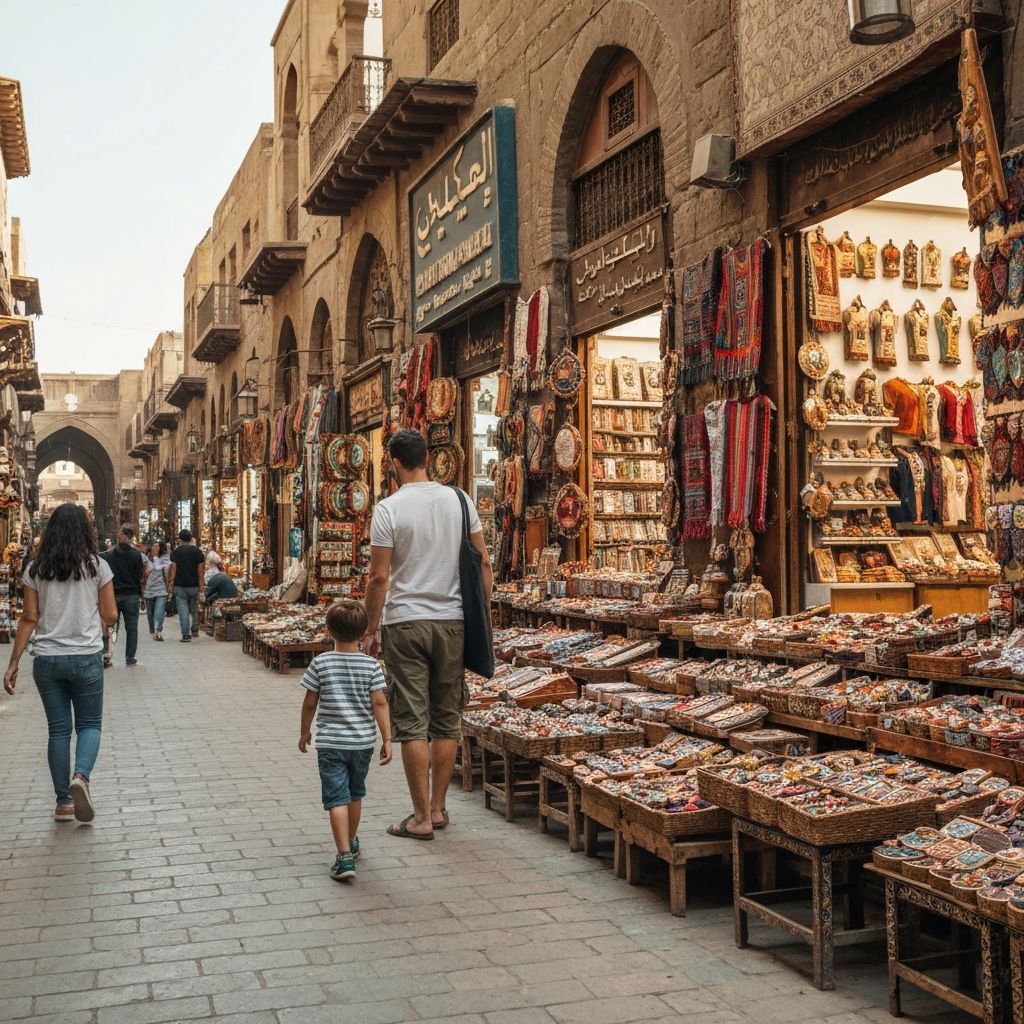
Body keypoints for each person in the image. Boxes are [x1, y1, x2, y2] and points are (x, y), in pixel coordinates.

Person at [363, 429, 492, 841]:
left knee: (411, 721)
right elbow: (483, 563)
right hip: (453, 621)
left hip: (405, 622)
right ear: (427, 458)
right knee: (446, 718)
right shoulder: (460, 499)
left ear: (395, 464)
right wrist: (482, 616)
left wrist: (370, 629)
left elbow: (379, 576)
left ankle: (419, 817)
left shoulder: (388, 509)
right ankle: (437, 809)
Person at [3, 503, 118, 822]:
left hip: (48, 660)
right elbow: (109, 615)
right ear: (86, 531)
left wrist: (13, 663)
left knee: (58, 731)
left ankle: (63, 803)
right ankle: (80, 777)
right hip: (86, 657)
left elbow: (28, 618)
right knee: (90, 724)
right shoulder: (98, 567)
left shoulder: (35, 570)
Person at [299, 600, 392, 881]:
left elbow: (309, 702)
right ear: (365, 632)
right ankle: (351, 841)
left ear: (328, 630)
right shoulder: (371, 666)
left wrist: (304, 732)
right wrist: (387, 738)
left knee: (335, 797)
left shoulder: (320, 663)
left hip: (331, 743)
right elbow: (380, 704)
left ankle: (343, 858)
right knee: (355, 792)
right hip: (362, 742)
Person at [101, 524, 145, 667]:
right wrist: (141, 595)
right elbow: (139, 576)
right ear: (131, 537)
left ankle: (107, 655)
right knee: (132, 628)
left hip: (113, 595)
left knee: (111, 627)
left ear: (123, 535)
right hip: (132, 595)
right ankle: (130, 658)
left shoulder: (109, 555)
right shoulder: (136, 555)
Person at [167, 530, 204, 643]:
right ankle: (195, 629)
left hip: (180, 586)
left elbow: (173, 570)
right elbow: (200, 570)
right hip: (194, 585)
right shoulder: (198, 552)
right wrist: (201, 585)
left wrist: (170, 585)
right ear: (191, 538)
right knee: (194, 608)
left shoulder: (175, 553)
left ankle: (186, 635)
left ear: (180, 539)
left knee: (183, 611)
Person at [145, 540, 171, 641]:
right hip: (148, 590)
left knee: (159, 611)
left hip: (161, 589)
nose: (156, 548)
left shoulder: (164, 559)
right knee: (150, 613)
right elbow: (145, 573)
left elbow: (168, 573)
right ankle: (152, 629)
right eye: (154, 546)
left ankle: (158, 631)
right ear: (150, 548)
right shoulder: (145, 559)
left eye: (158, 546)